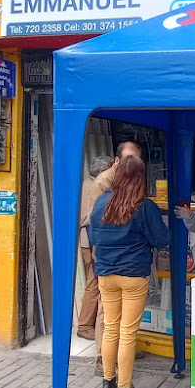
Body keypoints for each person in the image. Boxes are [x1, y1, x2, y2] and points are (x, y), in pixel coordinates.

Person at [89, 155, 170, 388]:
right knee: (127, 333)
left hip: (105, 274)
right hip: (133, 275)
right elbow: (161, 239)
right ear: (140, 178)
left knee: (111, 328)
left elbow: (93, 235)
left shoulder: (101, 202)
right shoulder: (144, 206)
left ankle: (108, 383)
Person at [81, 141, 144, 375]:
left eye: (137, 160)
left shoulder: (127, 179)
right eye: (129, 160)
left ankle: (120, 352)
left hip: (116, 256)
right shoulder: (104, 182)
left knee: (118, 314)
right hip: (105, 254)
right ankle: (102, 358)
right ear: (117, 161)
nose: (133, 164)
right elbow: (94, 221)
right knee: (105, 311)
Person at [77, 155, 113, 341]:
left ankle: (87, 324)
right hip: (91, 241)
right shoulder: (95, 187)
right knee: (94, 284)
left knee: (95, 283)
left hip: (88, 239)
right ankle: (84, 326)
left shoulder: (86, 184)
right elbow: (90, 218)